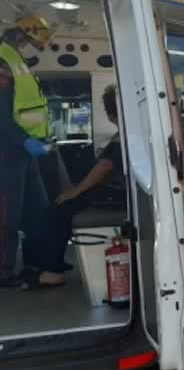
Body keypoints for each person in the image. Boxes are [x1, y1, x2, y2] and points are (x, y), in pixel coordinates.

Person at [21, 85, 123, 288]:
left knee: (56, 211)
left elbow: (105, 166)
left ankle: (53, 271)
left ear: (112, 112)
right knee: (58, 208)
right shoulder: (124, 133)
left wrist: (76, 190)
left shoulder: (124, 136)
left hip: (112, 196)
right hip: (108, 193)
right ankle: (53, 263)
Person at [0, 15, 53, 287]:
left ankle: (36, 263)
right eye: (32, 41)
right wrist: (25, 141)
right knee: (7, 216)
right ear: (21, 34)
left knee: (38, 209)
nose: (34, 47)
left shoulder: (17, 60)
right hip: (8, 151)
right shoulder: (3, 62)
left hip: (26, 151)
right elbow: (2, 117)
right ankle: (3, 273)